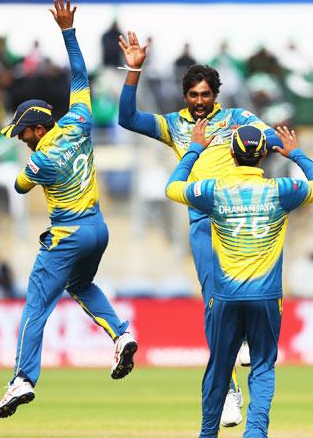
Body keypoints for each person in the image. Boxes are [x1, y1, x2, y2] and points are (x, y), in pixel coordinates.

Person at [118, 30, 283, 427]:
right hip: (201, 223)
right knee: (213, 307)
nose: (199, 102)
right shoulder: (175, 125)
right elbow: (127, 118)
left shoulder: (237, 119)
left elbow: (273, 138)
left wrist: (272, 143)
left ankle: (244, 345)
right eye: (192, 95)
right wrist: (133, 69)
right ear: (184, 96)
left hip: (241, 222)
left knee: (245, 295)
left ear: (216, 94)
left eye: (205, 95)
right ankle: (228, 388)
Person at [0, 0, 136, 419]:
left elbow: (19, 187)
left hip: (69, 233)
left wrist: (29, 167)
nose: (21, 138)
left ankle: (22, 379)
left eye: (22, 132)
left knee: (37, 305)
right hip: (99, 229)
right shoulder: (79, 122)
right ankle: (122, 334)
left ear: (39, 127)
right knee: (81, 285)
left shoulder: (40, 159)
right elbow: (79, 75)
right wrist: (69, 33)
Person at [166, 123, 313, 438]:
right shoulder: (281, 190)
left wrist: (195, 148)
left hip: (226, 296)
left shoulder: (215, 191)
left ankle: (207, 434)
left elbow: (172, 187)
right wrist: (296, 154)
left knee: (218, 369)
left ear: (231, 153)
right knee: (262, 367)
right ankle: (255, 433)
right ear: (264, 156)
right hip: (267, 296)